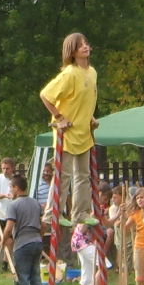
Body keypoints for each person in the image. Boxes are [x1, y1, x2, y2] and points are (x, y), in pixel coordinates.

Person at [39, 32, 99, 224]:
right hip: (67, 131)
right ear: (72, 51)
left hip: (83, 131)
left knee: (83, 175)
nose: (85, 47)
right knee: (63, 175)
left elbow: (84, 100)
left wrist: (90, 117)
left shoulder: (92, 72)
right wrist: (59, 117)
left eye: (86, 43)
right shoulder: (69, 74)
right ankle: (52, 214)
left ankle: (80, 213)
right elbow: (45, 95)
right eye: (80, 45)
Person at [0, 173, 46, 285]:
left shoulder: (13, 205)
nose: (10, 190)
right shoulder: (35, 203)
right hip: (37, 242)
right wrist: (39, 237)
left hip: (22, 244)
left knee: (21, 275)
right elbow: (43, 224)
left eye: (11, 187)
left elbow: (9, 227)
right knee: (35, 274)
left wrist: (3, 240)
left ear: (17, 188)